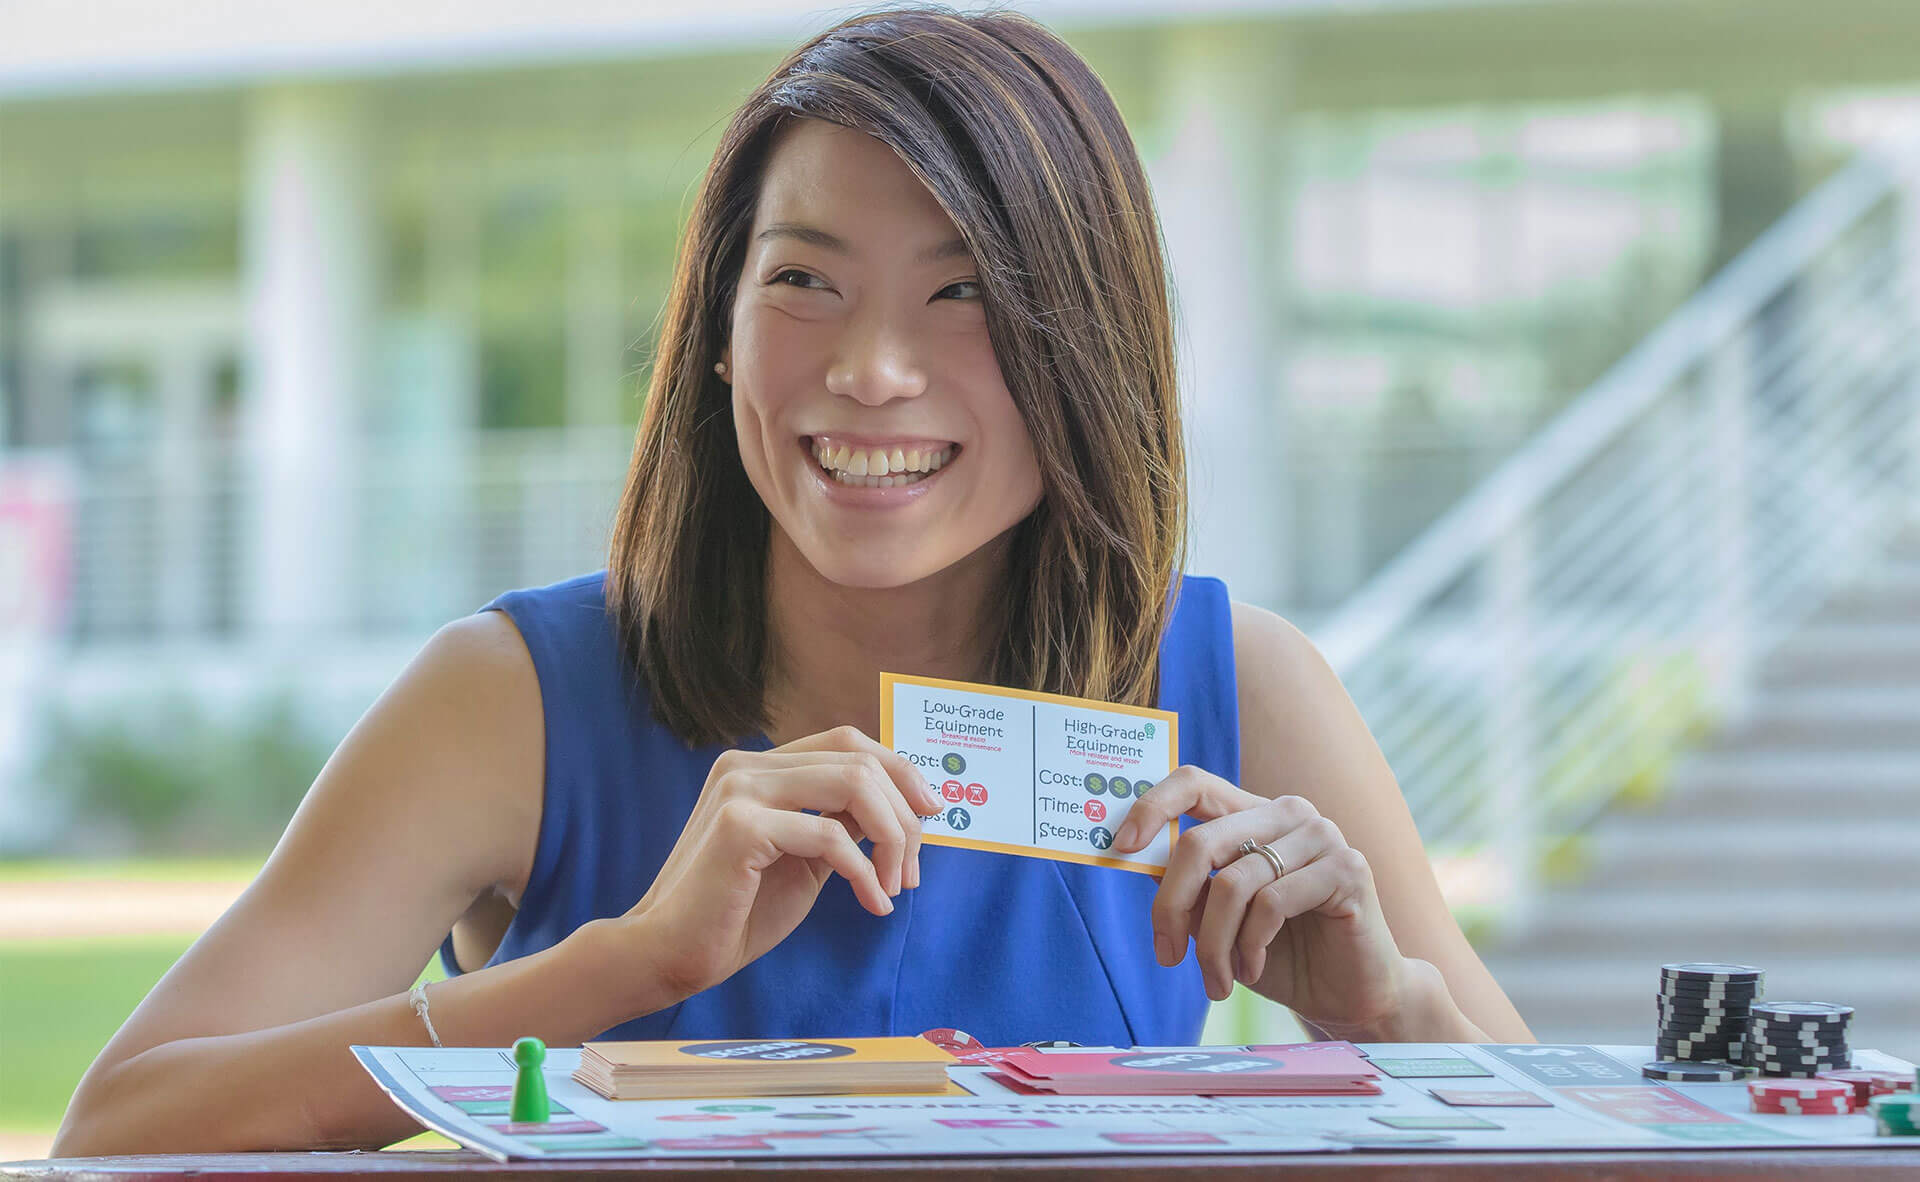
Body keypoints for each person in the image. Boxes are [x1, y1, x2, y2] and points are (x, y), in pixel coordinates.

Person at [52, 4, 1532, 1157]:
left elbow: (1588, 1141)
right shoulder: (512, 700)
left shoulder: (1235, 685)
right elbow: (122, 1124)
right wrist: (621, 965)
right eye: (802, 278)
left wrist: (1387, 1016)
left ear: (1089, 348)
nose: (868, 369)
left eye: (961, 294)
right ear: (716, 330)